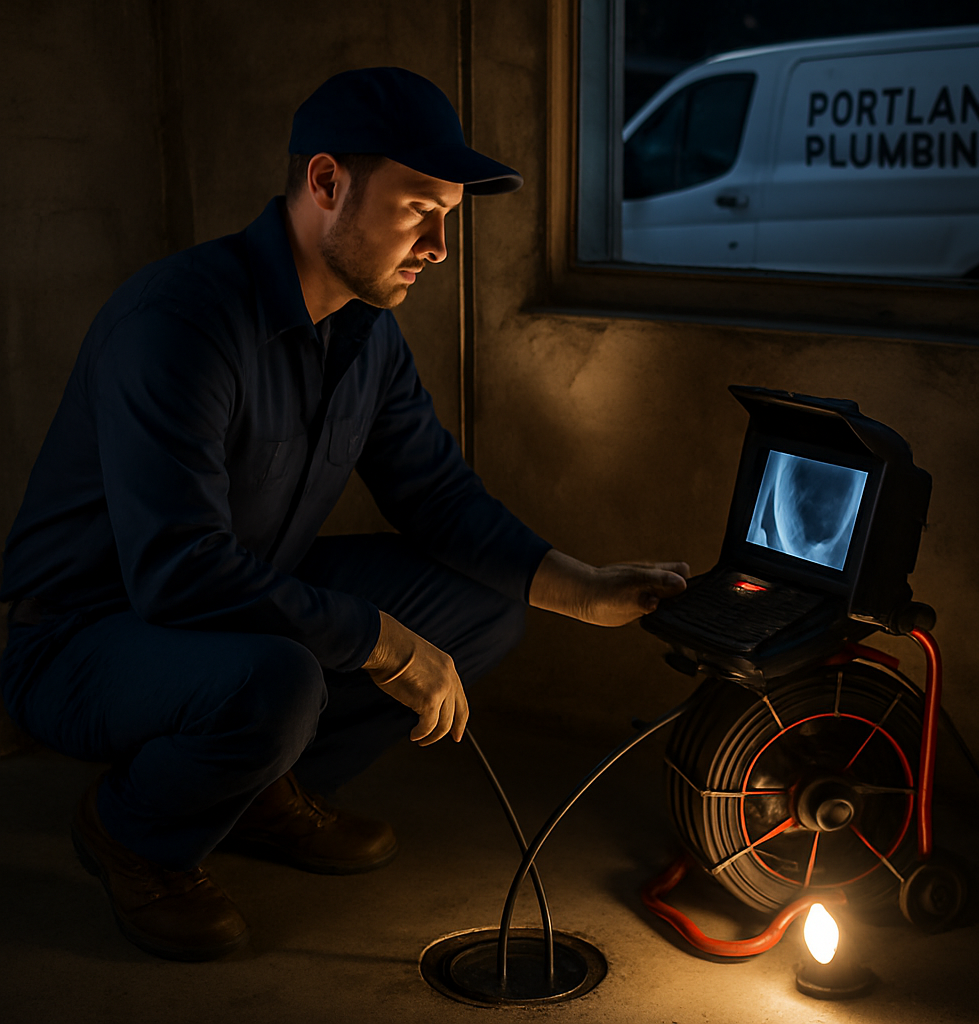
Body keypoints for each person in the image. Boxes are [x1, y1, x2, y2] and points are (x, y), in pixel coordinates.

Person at [0, 67, 687, 962]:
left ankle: (252, 790)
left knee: (489, 602)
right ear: (325, 183)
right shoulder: (179, 321)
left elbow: (436, 496)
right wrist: (385, 642)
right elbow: (176, 571)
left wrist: (583, 588)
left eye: (449, 215)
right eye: (417, 210)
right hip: (88, 638)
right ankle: (135, 831)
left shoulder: (367, 332)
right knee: (280, 680)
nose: (440, 244)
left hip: (239, 607)